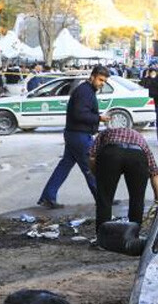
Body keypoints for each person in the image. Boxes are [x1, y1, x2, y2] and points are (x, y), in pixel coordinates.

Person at [37, 66, 110, 210]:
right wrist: (99, 118)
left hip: (74, 134)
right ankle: (103, 200)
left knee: (64, 166)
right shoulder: (85, 92)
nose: (102, 83)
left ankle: (48, 196)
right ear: (92, 77)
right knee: (92, 168)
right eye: (101, 80)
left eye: (104, 81)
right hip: (79, 136)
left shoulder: (86, 90)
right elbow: (79, 114)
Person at [89, 126, 158, 236]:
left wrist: (99, 175)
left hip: (111, 153)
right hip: (137, 156)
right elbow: (154, 172)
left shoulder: (105, 132)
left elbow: (92, 157)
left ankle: (102, 239)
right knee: (137, 199)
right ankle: (133, 236)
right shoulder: (140, 138)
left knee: (104, 199)